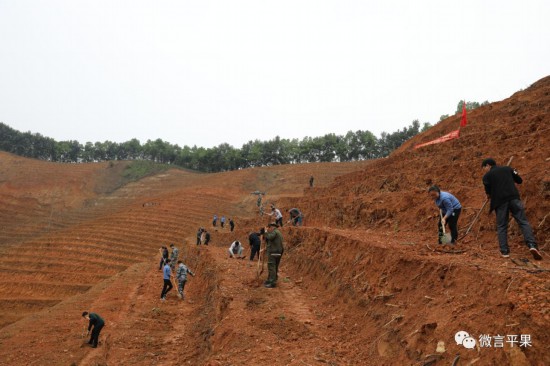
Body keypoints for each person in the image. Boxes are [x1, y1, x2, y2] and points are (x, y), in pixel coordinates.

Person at [482, 158, 542, 260]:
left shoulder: (486, 176)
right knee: (523, 222)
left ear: (488, 165)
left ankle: (505, 251)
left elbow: (488, 192)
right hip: (514, 198)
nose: (484, 170)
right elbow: (519, 180)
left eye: (484, 168)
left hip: (500, 202)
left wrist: (489, 195)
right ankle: (532, 245)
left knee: (502, 226)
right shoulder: (508, 169)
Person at [263, 224, 284, 288]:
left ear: (272, 227)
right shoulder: (279, 233)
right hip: (278, 252)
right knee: (275, 267)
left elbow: (270, 237)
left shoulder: (275, 232)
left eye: (269, 228)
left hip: (274, 252)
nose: (269, 229)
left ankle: (272, 282)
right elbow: (272, 241)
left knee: (271, 266)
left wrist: (265, 232)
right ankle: (271, 279)